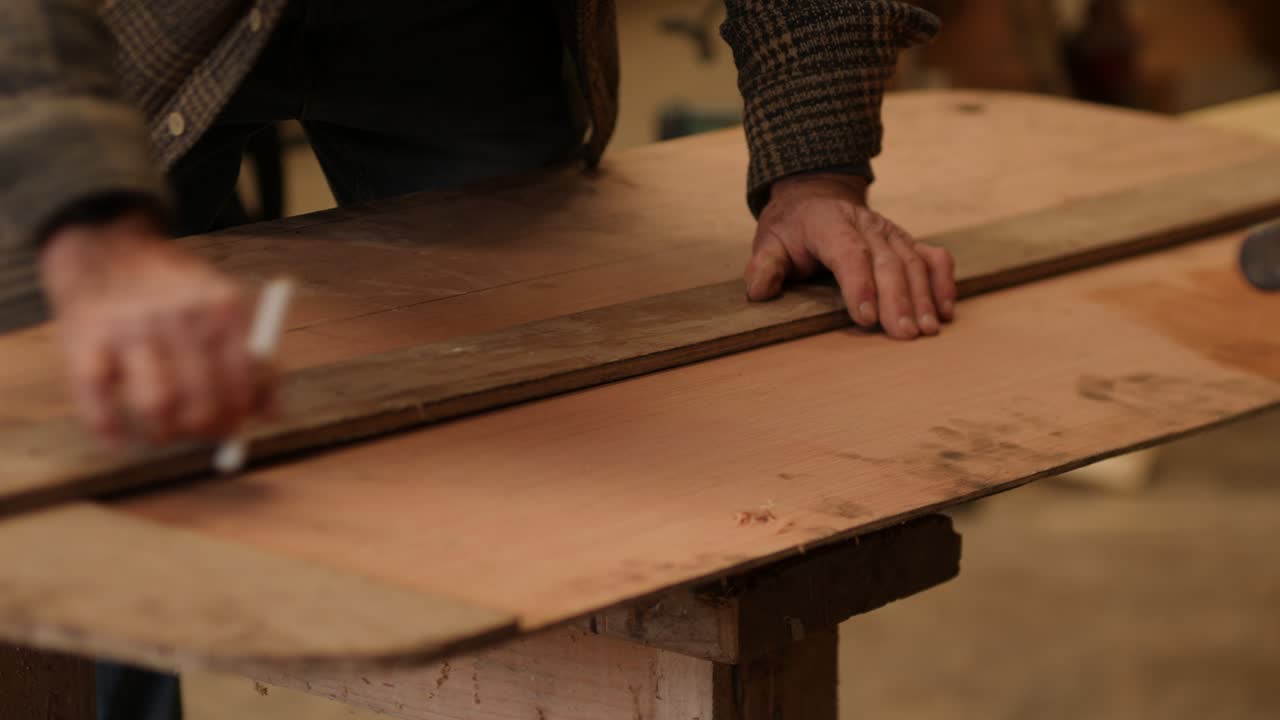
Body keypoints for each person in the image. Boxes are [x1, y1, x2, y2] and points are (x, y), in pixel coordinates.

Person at [3, 2, 952, 718]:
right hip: (113, 24)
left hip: (460, 26)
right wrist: (81, 217)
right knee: (68, 458)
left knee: (572, 511)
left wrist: (815, 169)